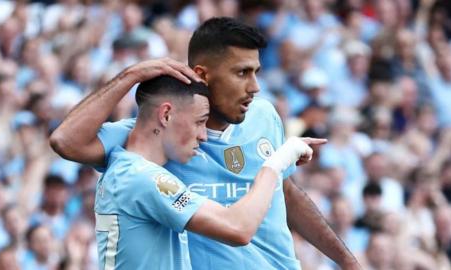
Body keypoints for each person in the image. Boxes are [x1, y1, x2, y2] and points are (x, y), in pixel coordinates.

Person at [50, 17, 360, 269]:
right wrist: (131, 75)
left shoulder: (264, 115)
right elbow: (65, 141)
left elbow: (286, 194)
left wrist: (347, 261)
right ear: (203, 74)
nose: (254, 87)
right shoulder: (152, 139)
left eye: (256, 72)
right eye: (242, 73)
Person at [90, 75, 316, 269]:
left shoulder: (126, 168)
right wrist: (276, 162)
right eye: (199, 122)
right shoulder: (142, 178)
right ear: (166, 115)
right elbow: (238, 229)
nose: (204, 135)